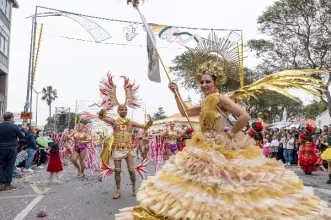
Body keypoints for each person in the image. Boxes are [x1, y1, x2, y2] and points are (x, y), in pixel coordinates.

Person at [116, 60, 331, 219]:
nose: (204, 84)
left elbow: (244, 116)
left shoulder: (220, 98)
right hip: (203, 145)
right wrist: (175, 92)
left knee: (228, 182)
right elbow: (185, 111)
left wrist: (229, 134)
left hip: (220, 144)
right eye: (201, 82)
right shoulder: (207, 100)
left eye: (207, 81)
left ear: (216, 83)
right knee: (203, 183)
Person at [98, 74, 153, 199]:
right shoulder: (114, 121)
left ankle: (134, 188)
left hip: (128, 149)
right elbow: (102, 117)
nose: (123, 110)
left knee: (131, 169)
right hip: (117, 148)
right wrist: (102, 112)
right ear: (118, 111)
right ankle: (118, 190)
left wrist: (150, 122)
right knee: (117, 171)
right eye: (121, 109)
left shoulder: (131, 122)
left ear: (127, 111)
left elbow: (144, 127)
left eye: (124, 109)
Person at [0, 112, 25, 190]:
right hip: (11, 148)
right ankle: (8, 183)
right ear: (11, 117)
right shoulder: (14, 126)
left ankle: (1, 183)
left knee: (1, 165)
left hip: (1, 148)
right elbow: (22, 136)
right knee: (10, 165)